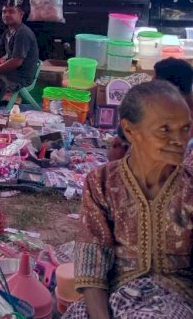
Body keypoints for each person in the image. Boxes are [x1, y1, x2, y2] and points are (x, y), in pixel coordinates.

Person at [64, 80, 193, 318]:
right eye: (165, 129)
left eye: (185, 128)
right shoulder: (101, 182)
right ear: (131, 131)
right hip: (113, 296)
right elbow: (92, 267)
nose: (179, 140)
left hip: (176, 299)